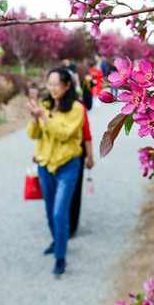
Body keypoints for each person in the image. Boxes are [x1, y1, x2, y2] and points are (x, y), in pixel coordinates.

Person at [26, 67, 84, 276]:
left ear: (67, 85)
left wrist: (44, 116)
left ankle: (60, 257)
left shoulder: (76, 109)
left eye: (56, 84)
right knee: (50, 211)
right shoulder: (46, 105)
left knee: (60, 213)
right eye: (49, 84)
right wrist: (35, 118)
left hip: (67, 166)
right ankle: (57, 241)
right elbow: (33, 134)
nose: (52, 88)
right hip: (45, 166)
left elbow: (63, 134)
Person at [69, 104, 94, 238]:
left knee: (75, 191)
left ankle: (71, 226)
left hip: (76, 156)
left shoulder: (79, 107)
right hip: (55, 156)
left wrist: (90, 156)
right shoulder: (50, 106)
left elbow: (86, 134)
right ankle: (63, 223)